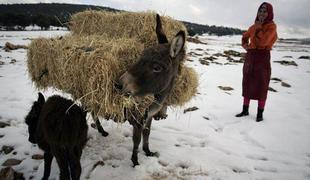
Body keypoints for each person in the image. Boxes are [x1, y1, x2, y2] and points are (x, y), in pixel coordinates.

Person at [236, 2, 277, 122]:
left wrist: (259, 27)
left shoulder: (271, 27)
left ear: (269, 13)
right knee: (247, 82)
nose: (262, 13)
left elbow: (263, 42)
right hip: (251, 57)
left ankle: (260, 114)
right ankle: (245, 110)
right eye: (260, 11)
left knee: (262, 85)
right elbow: (244, 36)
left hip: (263, 58)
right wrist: (245, 46)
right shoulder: (253, 26)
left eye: (265, 11)